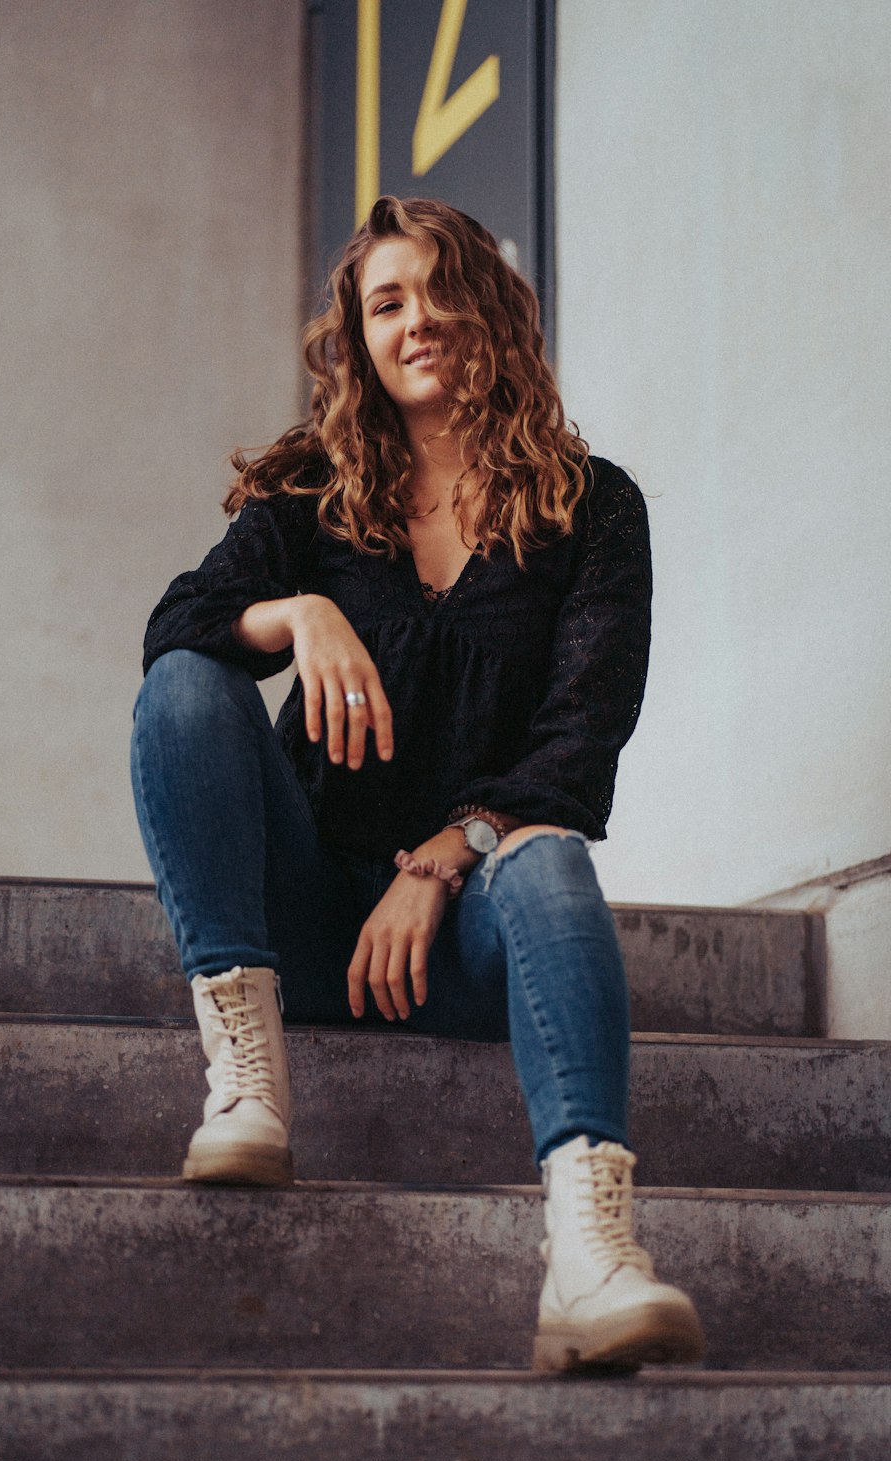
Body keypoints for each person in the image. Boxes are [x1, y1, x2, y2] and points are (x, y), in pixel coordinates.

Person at [130, 195, 705, 1374]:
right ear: (358, 336)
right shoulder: (310, 501)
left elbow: (578, 739)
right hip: (298, 912)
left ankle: (589, 1254)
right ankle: (246, 1077)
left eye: (442, 289)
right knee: (189, 684)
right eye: (387, 301)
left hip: (460, 932)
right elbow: (176, 624)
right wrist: (299, 611)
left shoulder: (593, 510)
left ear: (491, 313)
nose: (418, 320)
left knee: (545, 852)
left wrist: (452, 852)